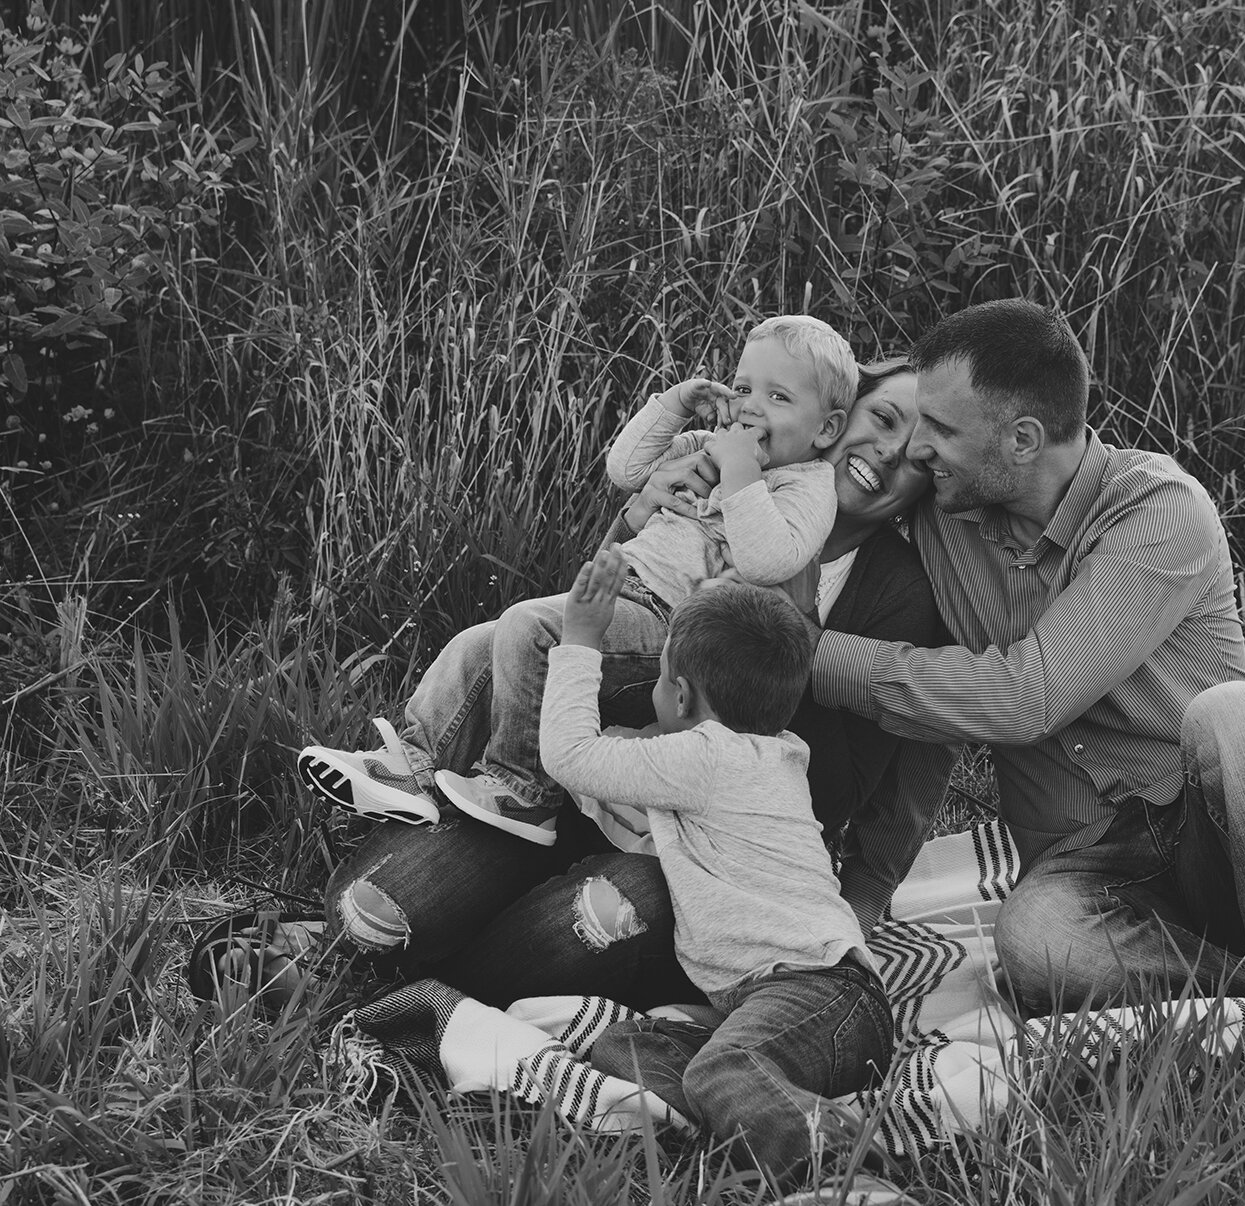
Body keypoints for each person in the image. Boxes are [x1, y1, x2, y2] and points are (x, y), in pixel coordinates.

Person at [807, 298, 1245, 1076]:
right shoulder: (942, 518)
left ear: (1021, 439)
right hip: (1093, 869)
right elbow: (821, 466)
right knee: (1035, 941)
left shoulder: (1156, 511)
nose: (918, 445)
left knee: (1233, 716)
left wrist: (808, 654)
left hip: (1218, 835)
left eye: (940, 429)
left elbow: (1025, 699)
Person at [209, 363, 938, 1012]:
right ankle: (365, 944)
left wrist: (790, 623)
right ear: (835, 421)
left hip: (681, 847)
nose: (886, 454)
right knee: (377, 909)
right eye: (883, 419)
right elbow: (595, 616)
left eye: (915, 457)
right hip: (554, 778)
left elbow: (836, 786)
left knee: (600, 918)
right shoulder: (722, 477)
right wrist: (636, 513)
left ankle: (419, 992)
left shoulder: (895, 592)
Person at [306, 313, 857, 848]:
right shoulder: (707, 446)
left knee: (531, 627)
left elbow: (768, 560)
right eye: (742, 386)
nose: (751, 406)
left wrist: (740, 472)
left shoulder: (807, 488)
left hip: (674, 630)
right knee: (483, 638)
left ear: (827, 428)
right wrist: (676, 404)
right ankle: (414, 764)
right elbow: (625, 470)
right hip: (626, 596)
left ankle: (522, 789)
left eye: (779, 397)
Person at [539, 562, 891, 1195]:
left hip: (820, 994)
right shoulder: (770, 753)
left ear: (679, 696)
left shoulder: (709, 756)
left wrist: (581, 641)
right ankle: (788, 1111)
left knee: (718, 1071)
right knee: (624, 1050)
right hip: (807, 1014)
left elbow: (569, 755)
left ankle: (846, 1175)